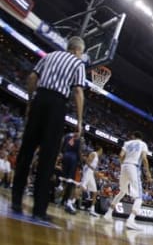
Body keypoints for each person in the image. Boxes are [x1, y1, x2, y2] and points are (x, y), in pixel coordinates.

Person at [12, 36, 86, 221]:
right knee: (48, 157)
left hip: (39, 99)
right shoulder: (78, 63)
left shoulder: (49, 55)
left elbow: (32, 78)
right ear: (78, 50)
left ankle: (15, 201)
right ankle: (39, 210)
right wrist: (79, 120)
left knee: (26, 152)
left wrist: (30, 101)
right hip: (57, 105)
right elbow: (77, 91)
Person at [103, 131, 153, 230]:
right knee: (139, 197)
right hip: (133, 167)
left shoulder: (127, 143)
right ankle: (131, 220)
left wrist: (124, 166)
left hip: (124, 165)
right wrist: (148, 174)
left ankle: (108, 213)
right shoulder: (142, 144)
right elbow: (144, 159)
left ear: (134, 136)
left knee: (122, 191)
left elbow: (121, 155)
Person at [59, 133, 83, 214]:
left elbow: (62, 144)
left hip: (65, 156)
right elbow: (79, 151)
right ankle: (68, 203)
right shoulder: (79, 138)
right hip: (73, 159)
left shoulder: (67, 135)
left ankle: (60, 188)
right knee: (73, 183)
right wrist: (81, 162)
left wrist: (62, 153)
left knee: (64, 179)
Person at [77, 147, 103, 216]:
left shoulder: (97, 157)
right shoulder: (93, 153)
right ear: (100, 149)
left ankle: (92, 209)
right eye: (102, 151)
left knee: (95, 192)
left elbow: (93, 167)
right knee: (82, 187)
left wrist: (96, 173)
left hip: (91, 173)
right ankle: (70, 202)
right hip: (88, 171)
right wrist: (93, 169)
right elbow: (87, 162)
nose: (102, 153)